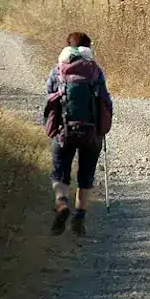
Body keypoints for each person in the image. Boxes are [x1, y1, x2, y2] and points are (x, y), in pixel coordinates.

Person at [43, 32, 113, 236]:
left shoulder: (58, 70)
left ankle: (62, 203)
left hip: (63, 130)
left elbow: (49, 96)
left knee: (60, 172)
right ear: (88, 48)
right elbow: (106, 101)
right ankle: (79, 218)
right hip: (91, 132)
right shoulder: (95, 71)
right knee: (86, 174)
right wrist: (103, 127)